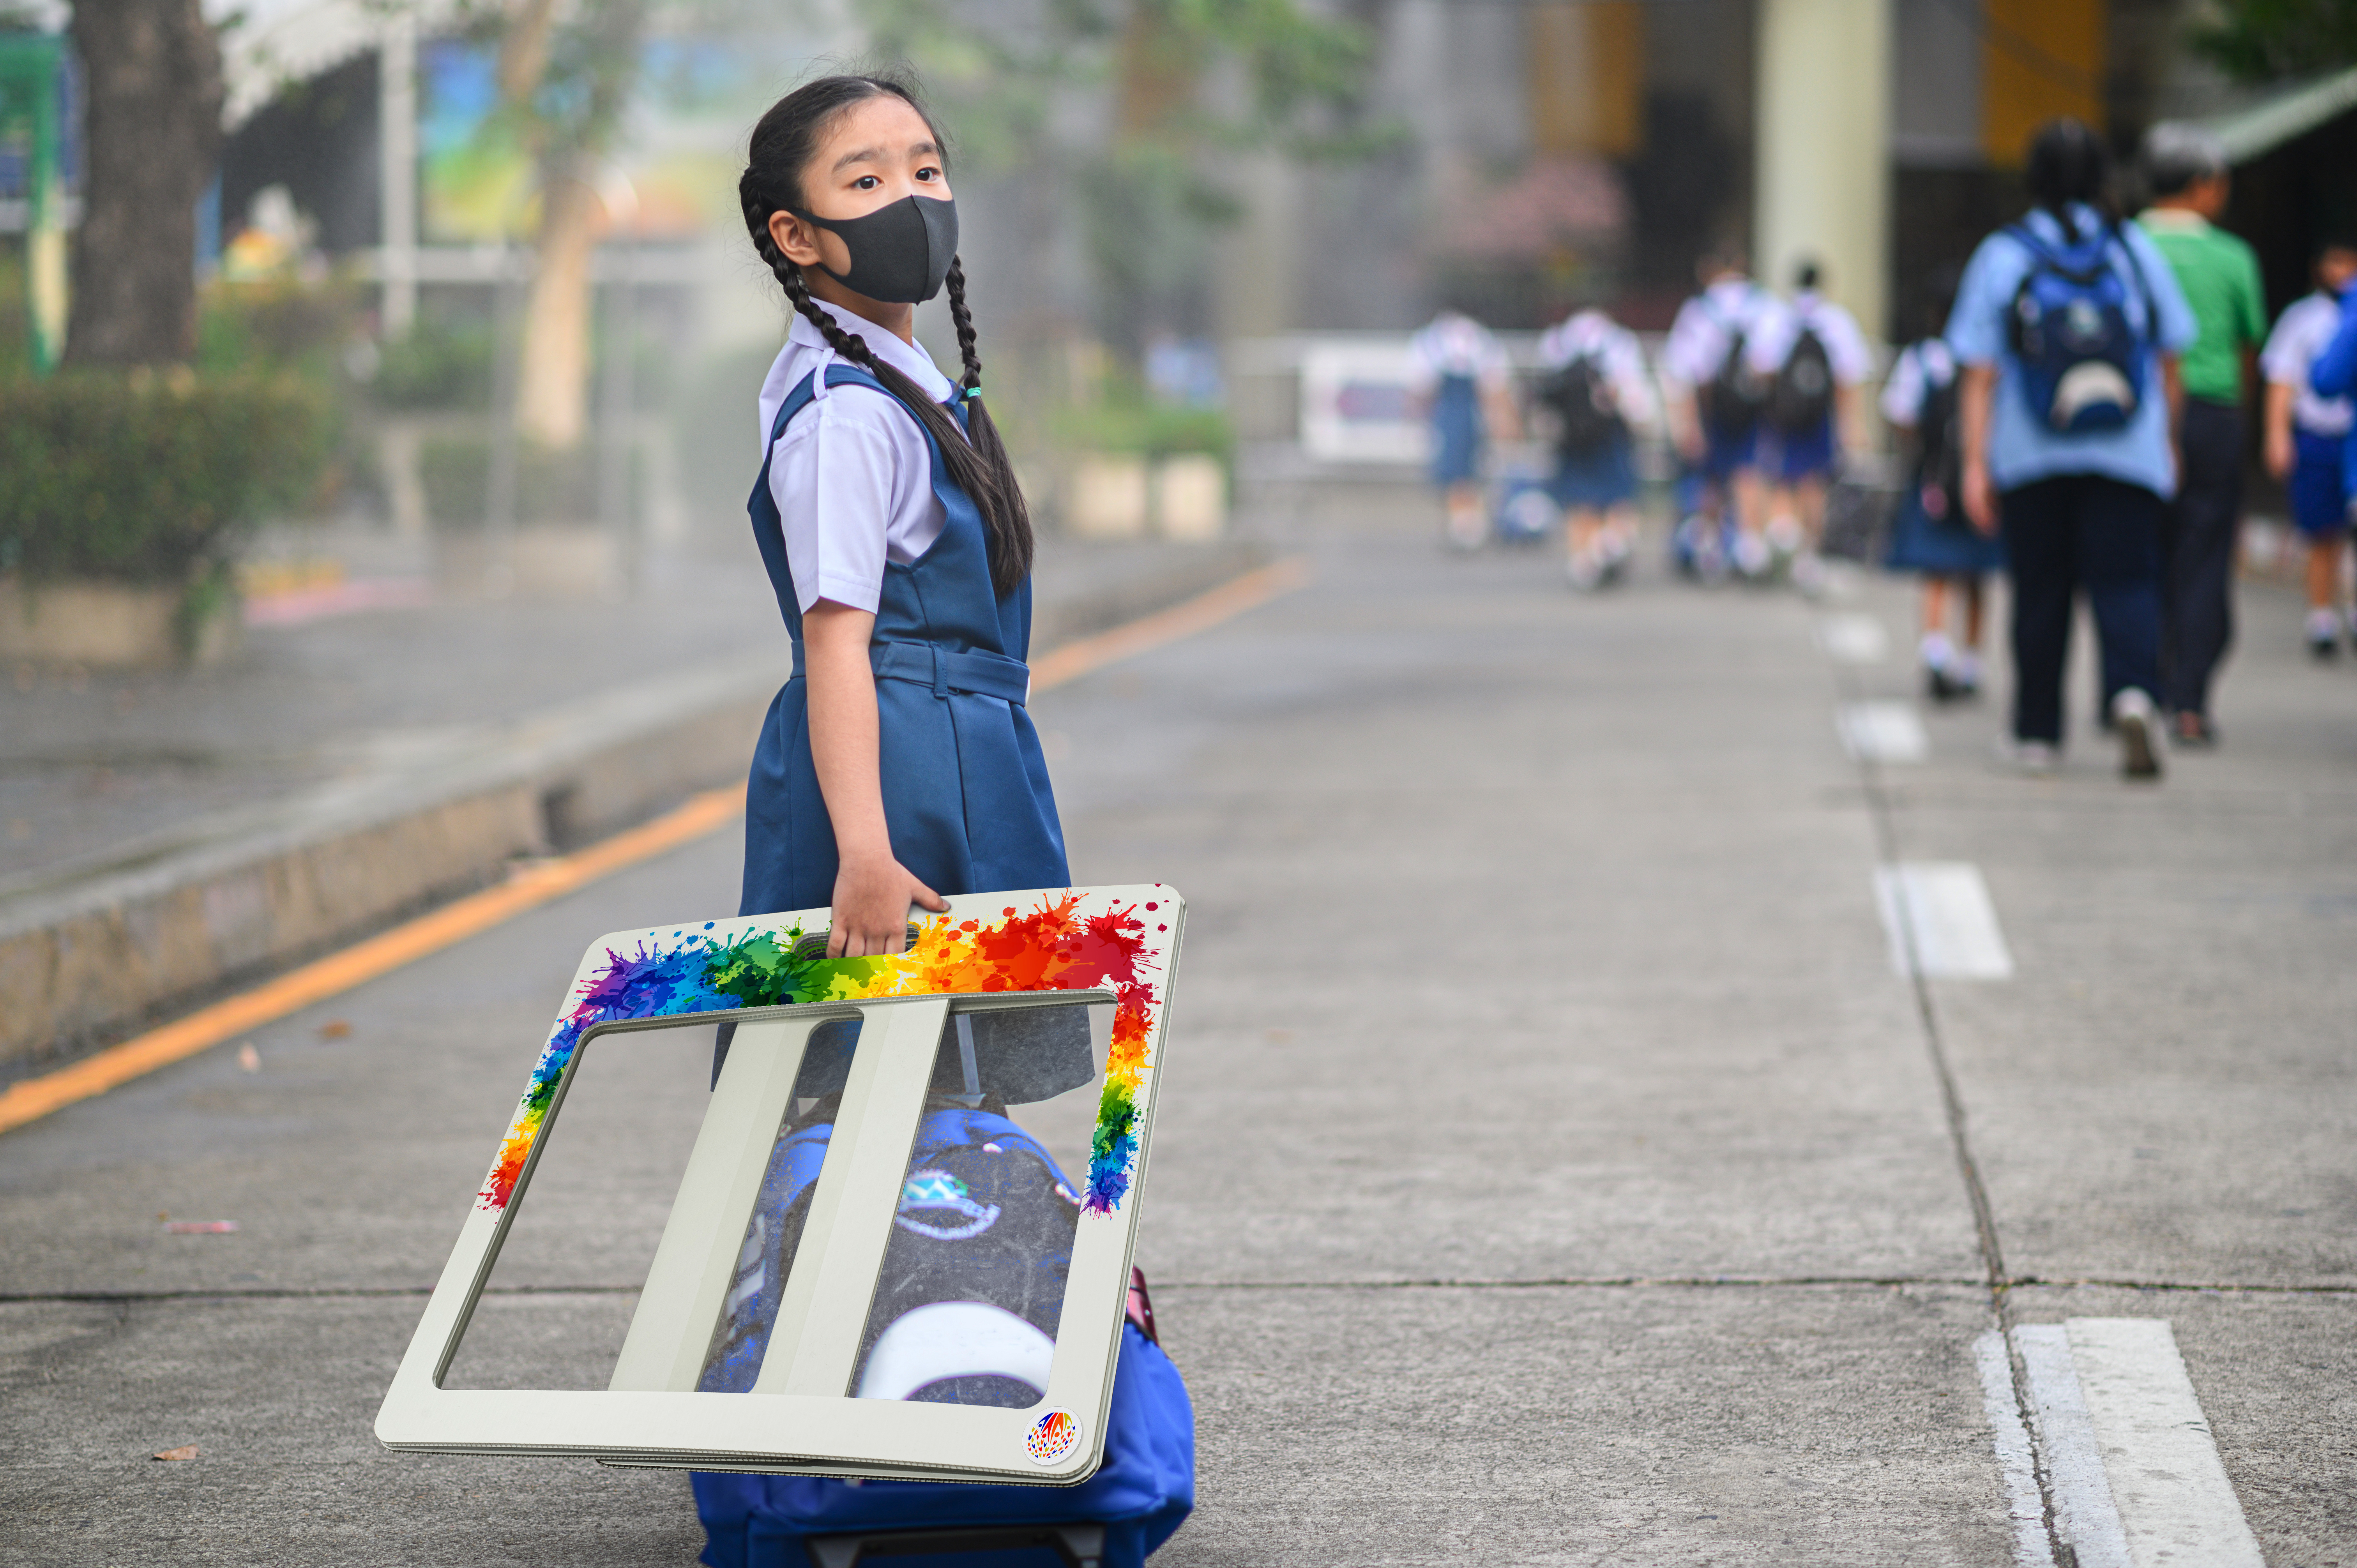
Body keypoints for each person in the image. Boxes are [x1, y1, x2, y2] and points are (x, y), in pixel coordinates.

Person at [712, 73, 1191, 1567]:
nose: (913, 197)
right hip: (899, 771)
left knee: (928, 1095)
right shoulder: (844, 412)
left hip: (948, 752)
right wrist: (862, 841)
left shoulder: (898, 379)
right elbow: (836, 639)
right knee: (873, 1086)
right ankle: (890, 1433)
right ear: (796, 235)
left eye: (922, 163)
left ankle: (932, 1398)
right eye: (865, 181)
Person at [1949, 117, 2197, 780]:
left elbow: (1978, 370)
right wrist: (2167, 443)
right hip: (2127, 451)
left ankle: (2037, 731)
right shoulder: (2132, 248)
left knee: (2039, 592)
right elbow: (2171, 353)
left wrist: (1974, 463)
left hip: (2030, 453)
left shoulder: (2003, 253)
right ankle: (2132, 692)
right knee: (2126, 582)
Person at [2136, 123, 2267, 746]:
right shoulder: (2233, 256)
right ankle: (2189, 703)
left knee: (2141, 555)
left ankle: (2137, 687)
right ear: (2201, 186)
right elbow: (2249, 350)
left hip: (2135, 420)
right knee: (2205, 557)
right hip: (2212, 415)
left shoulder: (2127, 245)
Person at [1883, 269, 2003, 700]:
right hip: (1982, 482)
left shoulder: (1921, 358)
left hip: (1933, 481)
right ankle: (1971, 662)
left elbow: (1901, 416)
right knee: (1976, 575)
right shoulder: (1989, 359)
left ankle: (1936, 650)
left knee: (1936, 571)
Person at [1749, 259, 1873, 594]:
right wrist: (1852, 425)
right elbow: (1850, 377)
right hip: (1820, 418)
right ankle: (1807, 554)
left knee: (1778, 480)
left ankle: (1778, 536)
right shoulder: (1837, 321)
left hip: (1781, 416)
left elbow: (1760, 368)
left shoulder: (1777, 318)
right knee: (1814, 484)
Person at [2260, 239, 2357, 657]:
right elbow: (2285, 379)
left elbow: (2327, 377)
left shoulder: (2351, 316)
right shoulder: (2304, 318)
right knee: (2323, 530)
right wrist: (2277, 435)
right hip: (2319, 436)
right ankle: (2322, 616)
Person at [1663, 247, 1776, 578]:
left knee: (1709, 479)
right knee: (1750, 474)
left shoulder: (1699, 310)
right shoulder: (1765, 306)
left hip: (1710, 409)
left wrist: (1687, 425)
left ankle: (1710, 548)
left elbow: (1681, 371)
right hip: (1755, 411)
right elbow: (1772, 364)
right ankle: (1751, 546)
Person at [1534, 302, 1658, 590]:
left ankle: (1583, 560)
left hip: (1571, 434)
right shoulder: (1617, 340)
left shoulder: (1558, 340)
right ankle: (1610, 544)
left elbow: (1546, 390)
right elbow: (1631, 390)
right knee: (1617, 495)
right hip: (1609, 431)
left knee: (1580, 500)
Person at [1406, 307, 1517, 551]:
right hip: (1463, 410)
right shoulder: (1480, 339)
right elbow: (1496, 385)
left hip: (1457, 410)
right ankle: (1467, 523)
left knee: (1460, 470)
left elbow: (1420, 387)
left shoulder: (1431, 341)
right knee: (1462, 469)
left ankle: (1467, 526)